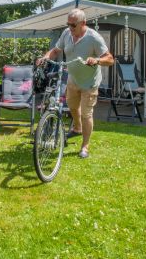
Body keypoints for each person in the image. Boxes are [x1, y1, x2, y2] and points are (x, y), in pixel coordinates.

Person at [38, 8, 114, 158]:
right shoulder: (67, 33)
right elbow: (56, 50)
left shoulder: (94, 37)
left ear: (83, 23)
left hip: (89, 83)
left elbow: (110, 59)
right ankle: (77, 128)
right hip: (73, 79)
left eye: (73, 25)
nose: (70, 27)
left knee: (86, 114)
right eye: (68, 24)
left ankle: (85, 146)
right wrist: (46, 57)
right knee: (72, 107)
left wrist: (97, 60)